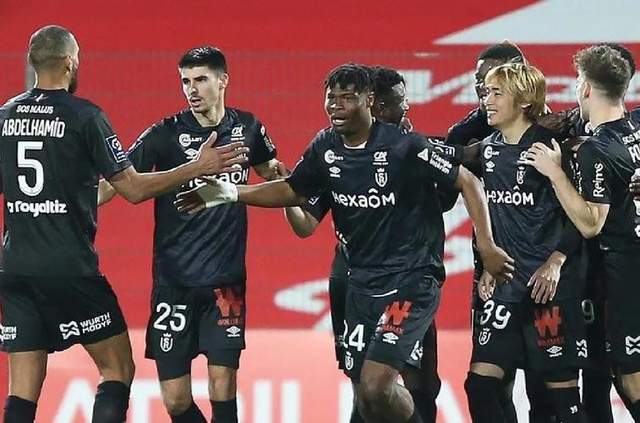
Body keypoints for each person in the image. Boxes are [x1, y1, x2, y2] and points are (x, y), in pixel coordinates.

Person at [175, 63, 514, 422]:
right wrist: (229, 192)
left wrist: (487, 246)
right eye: (331, 98)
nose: (335, 105)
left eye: (346, 98)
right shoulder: (325, 147)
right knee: (366, 399)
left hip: (411, 281)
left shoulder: (404, 145)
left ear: (369, 101)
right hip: (360, 287)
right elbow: (294, 191)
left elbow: (468, 181)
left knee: (383, 386)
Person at [0, 26, 247, 423]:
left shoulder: (5, 117)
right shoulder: (85, 117)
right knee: (117, 369)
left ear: (32, 62)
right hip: (70, 268)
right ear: (70, 63)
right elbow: (131, 188)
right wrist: (196, 167)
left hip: (14, 270)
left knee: (22, 390)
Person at [99, 46, 282, 423]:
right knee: (176, 400)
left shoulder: (248, 128)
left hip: (225, 283)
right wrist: (70, 202)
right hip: (173, 283)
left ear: (223, 80)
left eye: (200, 80)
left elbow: (272, 172)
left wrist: (294, 183)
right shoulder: (164, 134)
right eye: (185, 81)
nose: (191, 89)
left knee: (222, 387)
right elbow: (117, 183)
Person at [283, 65, 442, 423]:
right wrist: (286, 194)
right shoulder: (336, 153)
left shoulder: (411, 148)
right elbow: (306, 221)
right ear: (376, 106)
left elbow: (463, 171)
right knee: (366, 384)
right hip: (354, 278)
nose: (406, 110)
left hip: (408, 277)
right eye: (398, 102)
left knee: (419, 382)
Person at [465, 62, 589, 423]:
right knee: (480, 386)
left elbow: (580, 216)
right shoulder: (488, 150)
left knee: (561, 403)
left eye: (496, 93)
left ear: (523, 101)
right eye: (486, 92)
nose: (487, 100)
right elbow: (493, 214)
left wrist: (556, 261)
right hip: (506, 288)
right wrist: (488, 265)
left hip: (548, 290)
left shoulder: (550, 148)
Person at [525, 44, 640, 421]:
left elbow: (592, 223)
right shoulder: (637, 125)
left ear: (587, 87)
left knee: (631, 379)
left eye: (578, 80)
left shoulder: (597, 149)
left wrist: (554, 172)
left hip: (626, 275)